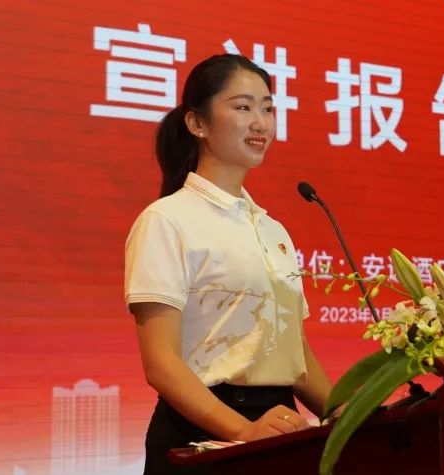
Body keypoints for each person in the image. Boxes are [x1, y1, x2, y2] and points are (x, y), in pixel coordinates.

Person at [124, 54, 332, 475]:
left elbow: (293, 354)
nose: (260, 123)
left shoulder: (273, 229)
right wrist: (244, 431)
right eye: (242, 107)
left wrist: (351, 410)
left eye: (267, 109)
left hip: (280, 428)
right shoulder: (167, 220)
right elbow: (161, 364)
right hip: (201, 434)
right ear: (197, 123)